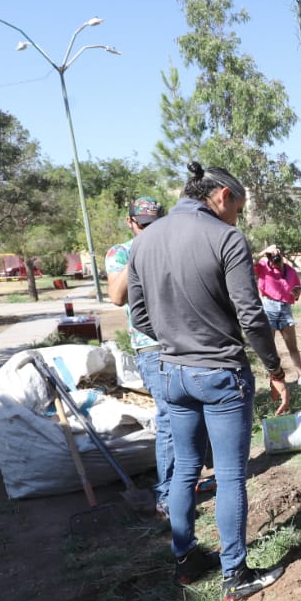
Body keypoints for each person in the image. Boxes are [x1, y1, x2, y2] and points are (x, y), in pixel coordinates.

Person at [126, 162, 290, 600]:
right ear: (222, 196)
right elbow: (251, 317)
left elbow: (138, 315)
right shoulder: (226, 238)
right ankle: (235, 575)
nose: (237, 218)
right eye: (238, 208)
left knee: (184, 470)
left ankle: (186, 560)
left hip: (171, 373)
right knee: (231, 476)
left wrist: (175, 337)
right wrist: (275, 369)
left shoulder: (144, 241)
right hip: (220, 374)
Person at [105, 196, 173, 515]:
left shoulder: (172, 246)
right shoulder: (121, 252)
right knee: (169, 418)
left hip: (183, 341)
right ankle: (168, 495)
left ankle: (186, 482)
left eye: (154, 225)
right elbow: (116, 296)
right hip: (151, 347)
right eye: (143, 225)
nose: (148, 230)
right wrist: (140, 250)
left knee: (191, 413)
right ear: (130, 222)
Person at [254, 245, 301, 384]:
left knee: (292, 345)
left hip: (285, 308)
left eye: (277, 256)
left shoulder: (290, 271)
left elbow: (297, 289)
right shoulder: (263, 267)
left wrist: (295, 293)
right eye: (272, 257)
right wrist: (264, 252)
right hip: (269, 307)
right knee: (269, 347)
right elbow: (248, 262)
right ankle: (275, 379)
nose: (275, 259)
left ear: (282, 256)